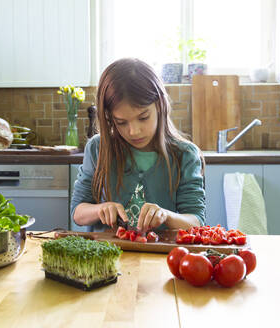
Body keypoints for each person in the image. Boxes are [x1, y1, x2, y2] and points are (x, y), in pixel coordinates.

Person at [70, 58, 205, 232]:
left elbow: (197, 221)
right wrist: (99, 209)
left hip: (160, 258)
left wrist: (166, 215)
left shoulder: (185, 154)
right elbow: (77, 212)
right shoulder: (98, 148)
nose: (134, 131)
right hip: (109, 255)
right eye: (121, 122)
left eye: (143, 118)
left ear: (160, 105)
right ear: (110, 118)